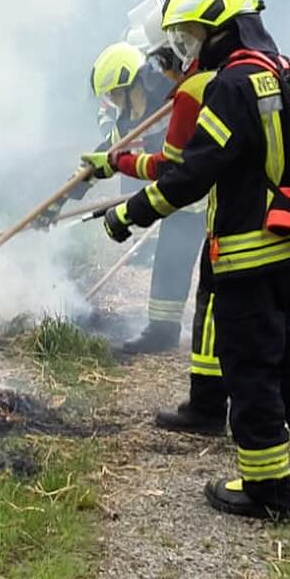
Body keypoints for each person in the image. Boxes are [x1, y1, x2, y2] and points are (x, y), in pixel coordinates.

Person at [100, 0, 290, 521]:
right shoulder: (275, 72)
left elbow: (192, 172)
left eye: (192, 37)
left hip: (248, 254)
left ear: (224, 27)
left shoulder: (231, 86)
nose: (187, 52)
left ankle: (266, 491)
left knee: (250, 369)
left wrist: (128, 214)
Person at [80, 36, 210, 356]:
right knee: (170, 259)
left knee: (218, 270)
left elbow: (168, 164)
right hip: (182, 193)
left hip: (205, 192)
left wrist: (118, 166)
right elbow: (106, 154)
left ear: (129, 83)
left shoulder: (169, 96)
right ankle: (163, 330)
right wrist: (63, 199)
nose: (113, 102)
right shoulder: (131, 117)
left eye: (114, 93)